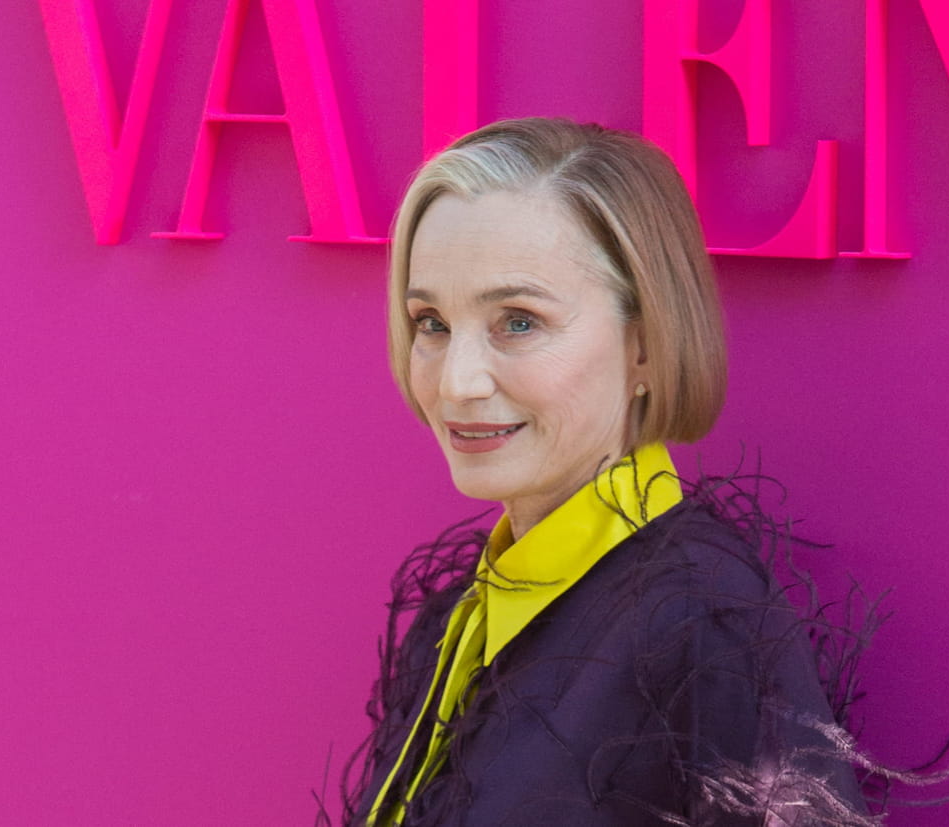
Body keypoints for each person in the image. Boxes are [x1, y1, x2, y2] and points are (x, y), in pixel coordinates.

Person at [342, 118, 880, 826]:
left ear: (646, 345)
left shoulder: (704, 623)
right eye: (432, 323)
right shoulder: (454, 621)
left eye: (518, 321)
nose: (456, 383)